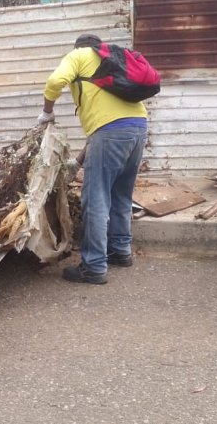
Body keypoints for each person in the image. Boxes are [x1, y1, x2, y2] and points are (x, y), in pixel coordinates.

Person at [39, 34, 148, 285]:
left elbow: (55, 80)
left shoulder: (79, 55)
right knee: (121, 194)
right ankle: (120, 252)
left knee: (96, 199)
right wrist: (77, 162)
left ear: (79, 49)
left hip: (110, 132)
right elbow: (105, 128)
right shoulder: (113, 58)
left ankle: (94, 266)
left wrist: (47, 112)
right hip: (139, 128)